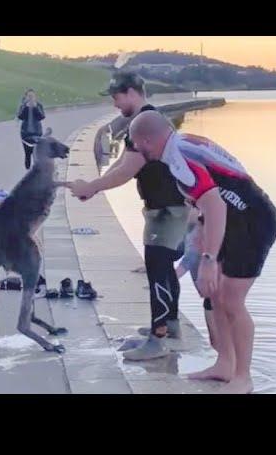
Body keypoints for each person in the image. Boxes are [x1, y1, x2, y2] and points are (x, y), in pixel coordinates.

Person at [129, 110, 276, 394]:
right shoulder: (184, 144)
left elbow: (216, 205)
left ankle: (243, 378)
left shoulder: (180, 159)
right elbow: (207, 202)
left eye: (137, 144)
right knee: (216, 294)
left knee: (232, 300)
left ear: (148, 140)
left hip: (253, 223)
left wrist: (209, 259)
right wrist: (200, 238)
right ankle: (225, 364)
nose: (137, 150)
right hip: (233, 222)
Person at [68, 72, 190, 361]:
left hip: (168, 210)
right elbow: (123, 162)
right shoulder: (146, 120)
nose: (114, 104)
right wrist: (94, 186)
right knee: (160, 268)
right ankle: (169, 328)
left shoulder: (145, 123)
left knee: (158, 269)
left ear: (133, 92)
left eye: (117, 97)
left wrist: (92, 187)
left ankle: (157, 340)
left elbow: (126, 170)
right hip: (163, 209)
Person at [175, 209, 218, 350]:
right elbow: (177, 250)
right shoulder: (188, 229)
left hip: (215, 295)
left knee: (219, 339)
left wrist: (169, 280)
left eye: (190, 207)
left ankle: (227, 365)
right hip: (209, 297)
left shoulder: (199, 232)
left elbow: (189, 259)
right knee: (216, 340)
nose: (184, 211)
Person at [17, 89, 46, 169]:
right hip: (25, 134)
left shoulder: (39, 105)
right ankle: (28, 171)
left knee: (36, 154)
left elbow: (42, 117)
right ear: (26, 97)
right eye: (29, 96)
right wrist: (26, 108)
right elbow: (20, 116)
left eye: (32, 96)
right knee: (27, 154)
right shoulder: (23, 106)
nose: (30, 98)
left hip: (37, 133)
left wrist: (35, 107)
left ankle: (36, 172)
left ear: (35, 97)